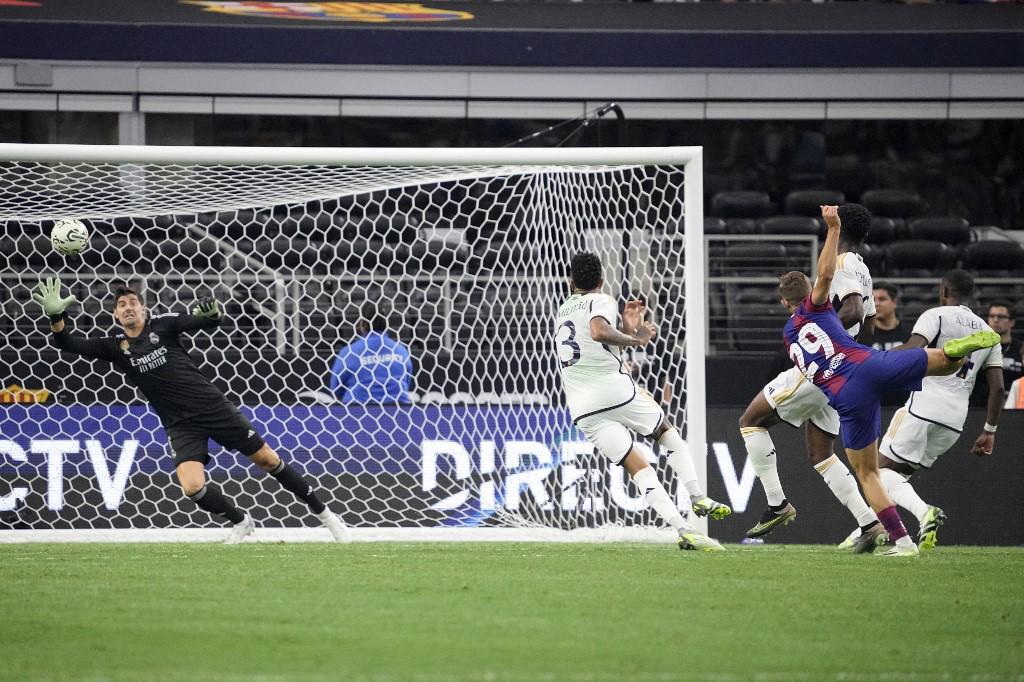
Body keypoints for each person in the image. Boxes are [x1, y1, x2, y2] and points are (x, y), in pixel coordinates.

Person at [32, 278, 350, 544]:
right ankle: (241, 521)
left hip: (213, 408)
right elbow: (67, 344)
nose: (128, 307)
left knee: (268, 460)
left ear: (143, 309)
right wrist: (56, 317)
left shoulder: (164, 326)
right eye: (122, 305)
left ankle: (327, 516)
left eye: (133, 302)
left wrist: (212, 314)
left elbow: (205, 321)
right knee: (192, 486)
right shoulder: (114, 347)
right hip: (180, 425)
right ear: (116, 315)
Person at [780, 206, 1000, 557]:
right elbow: (833, 284)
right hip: (866, 363)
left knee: (869, 474)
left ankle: (904, 542)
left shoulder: (790, 334)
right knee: (939, 363)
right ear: (811, 294)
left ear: (784, 304)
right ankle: (954, 351)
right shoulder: (828, 296)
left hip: (845, 394)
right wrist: (832, 229)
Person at [556, 252, 730, 551]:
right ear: (601, 281)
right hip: (612, 389)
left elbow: (596, 344)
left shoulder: (563, 310)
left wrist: (629, 330)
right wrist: (637, 339)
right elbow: (598, 332)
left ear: (571, 282)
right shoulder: (602, 299)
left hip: (582, 407)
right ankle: (697, 496)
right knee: (665, 431)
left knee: (637, 466)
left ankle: (683, 529)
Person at [738, 203, 882, 549]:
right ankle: (869, 524)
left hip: (823, 366)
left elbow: (853, 310)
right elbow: (870, 326)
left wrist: (821, 339)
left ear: (838, 226)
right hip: (843, 372)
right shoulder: (863, 270)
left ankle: (777, 504)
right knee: (821, 453)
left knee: (750, 421)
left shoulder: (842, 263)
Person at [869, 269, 1004, 550]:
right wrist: (989, 431)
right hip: (955, 420)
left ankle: (924, 513)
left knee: (877, 473)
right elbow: (998, 389)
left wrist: (872, 360)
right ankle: (869, 531)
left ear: (944, 291)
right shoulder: (989, 333)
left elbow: (914, 348)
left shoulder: (936, 315)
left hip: (923, 405)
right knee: (897, 476)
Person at [329, 304, 412, 404]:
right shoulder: (400, 350)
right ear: (386, 323)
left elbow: (335, 388)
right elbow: (407, 381)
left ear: (362, 324)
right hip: (399, 409)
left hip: (357, 409)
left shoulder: (348, 352)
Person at [985, 301, 1022, 394]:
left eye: (1001, 317)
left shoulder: (1021, 349)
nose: (995, 320)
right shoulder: (978, 347)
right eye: (992, 316)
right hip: (982, 402)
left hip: (1013, 401)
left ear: (1012, 322)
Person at [867, 283, 910, 351]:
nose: (876, 304)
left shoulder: (911, 333)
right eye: (873, 300)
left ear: (895, 302)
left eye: (882, 299)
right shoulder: (861, 335)